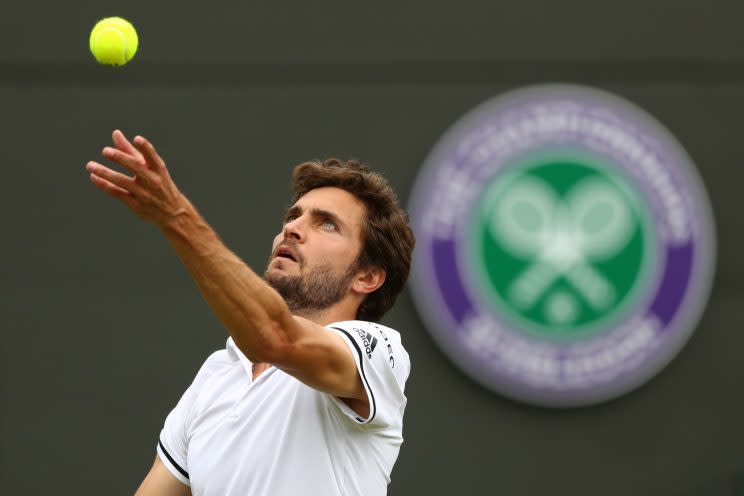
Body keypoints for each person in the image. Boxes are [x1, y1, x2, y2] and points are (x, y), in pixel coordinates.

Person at [85, 130, 416, 496]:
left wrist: (176, 217)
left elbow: (274, 337)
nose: (292, 228)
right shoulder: (216, 376)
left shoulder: (378, 352)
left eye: (326, 223)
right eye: (293, 216)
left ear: (366, 276)